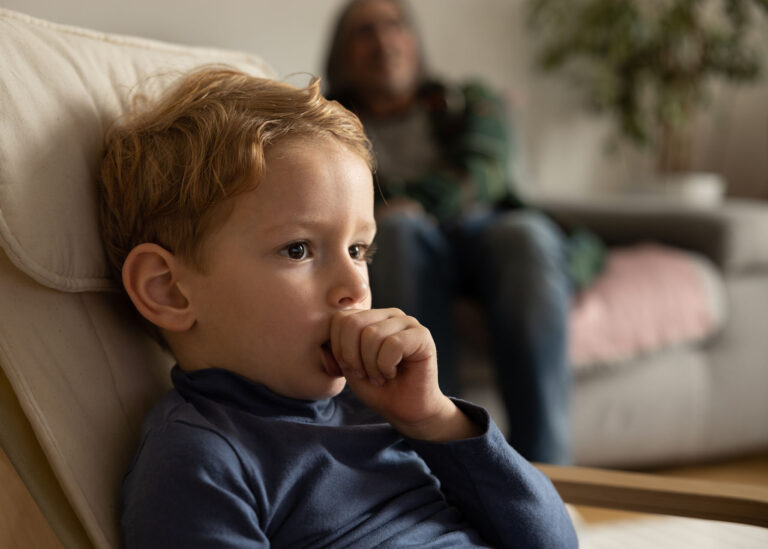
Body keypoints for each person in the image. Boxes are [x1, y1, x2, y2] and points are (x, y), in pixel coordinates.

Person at [98, 67, 577, 547]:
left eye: (359, 251)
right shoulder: (199, 459)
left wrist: (435, 418)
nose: (354, 286)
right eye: (298, 250)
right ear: (169, 290)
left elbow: (554, 541)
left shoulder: (382, 408)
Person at [324, 0, 581, 464]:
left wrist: (416, 200)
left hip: (485, 233)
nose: (383, 41)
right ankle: (448, 458)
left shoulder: (470, 100)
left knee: (527, 234)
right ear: (341, 52)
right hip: (402, 245)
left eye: (394, 25)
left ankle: (548, 473)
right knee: (398, 231)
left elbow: (485, 173)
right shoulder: (329, 123)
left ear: (414, 40)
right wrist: (400, 211)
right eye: (364, 32)